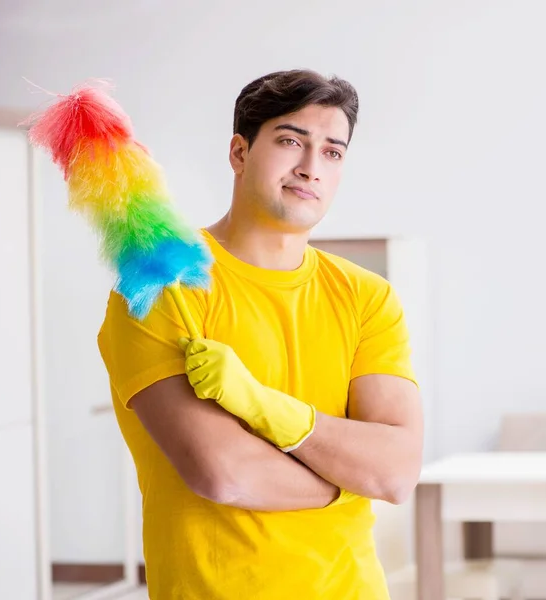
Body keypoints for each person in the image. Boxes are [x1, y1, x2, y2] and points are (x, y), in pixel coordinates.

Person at [97, 69, 423, 600]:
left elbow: (396, 471)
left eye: (332, 152)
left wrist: (260, 405)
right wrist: (348, 478)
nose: (311, 167)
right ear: (239, 152)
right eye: (291, 140)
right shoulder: (163, 286)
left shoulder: (369, 298)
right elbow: (223, 473)